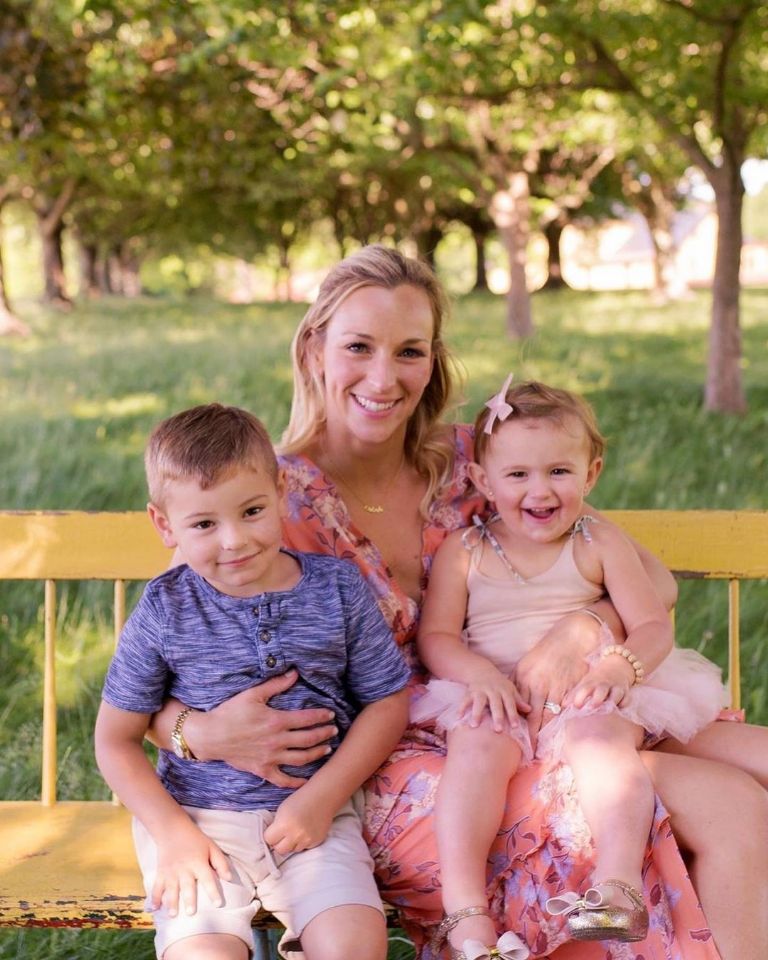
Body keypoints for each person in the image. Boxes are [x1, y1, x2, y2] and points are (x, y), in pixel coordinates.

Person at [148, 245, 768, 960]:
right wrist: (197, 734)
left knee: (742, 784)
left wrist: (582, 626)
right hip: (388, 765)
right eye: (358, 347)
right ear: (315, 348)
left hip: (543, 710)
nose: (384, 377)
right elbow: (156, 672)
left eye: (409, 351)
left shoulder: (478, 459)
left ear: (433, 361)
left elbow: (652, 581)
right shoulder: (260, 500)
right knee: (715, 803)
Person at [412, 378, 727, 957]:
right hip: (499, 691)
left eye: (559, 471)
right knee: (476, 748)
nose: (540, 490)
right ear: (483, 480)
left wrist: (620, 668)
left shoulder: (598, 541)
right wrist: (477, 674)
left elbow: (652, 623)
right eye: (517, 474)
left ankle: (616, 887)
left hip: (590, 688)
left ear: (591, 473)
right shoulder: (465, 551)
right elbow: (436, 636)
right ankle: (465, 912)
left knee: (598, 739)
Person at [95, 403, 411, 960]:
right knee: (203, 953)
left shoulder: (337, 589)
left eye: (252, 511)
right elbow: (114, 739)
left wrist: (323, 799)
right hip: (199, 825)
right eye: (204, 524)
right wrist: (173, 835)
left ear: (281, 492)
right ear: (164, 525)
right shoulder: (166, 608)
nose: (234, 540)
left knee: (354, 946)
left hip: (316, 818)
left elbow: (387, 702)